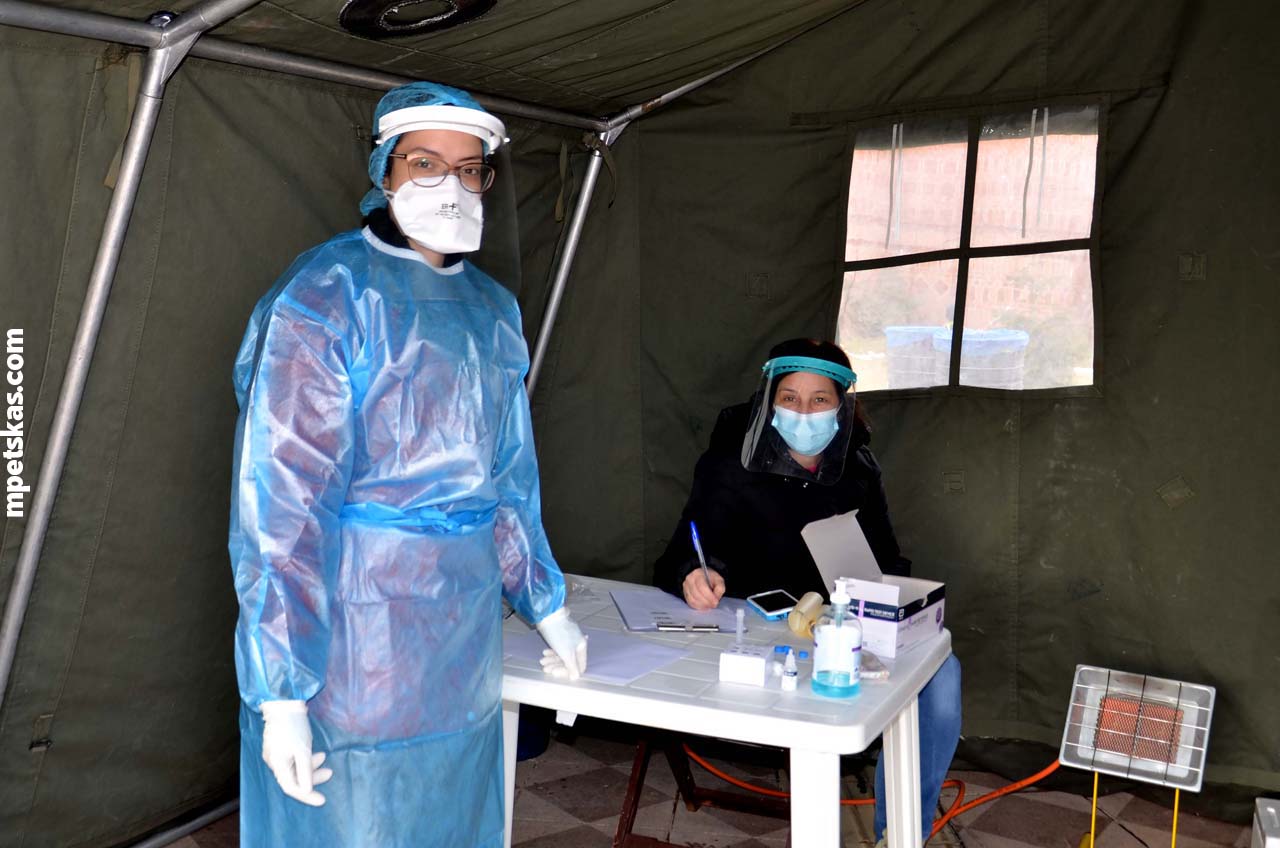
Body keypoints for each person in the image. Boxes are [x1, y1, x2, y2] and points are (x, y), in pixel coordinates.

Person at [229, 81, 587, 848]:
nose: (449, 186)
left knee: (452, 817)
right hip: (352, 634)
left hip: (462, 636)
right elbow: (282, 506)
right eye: (425, 163)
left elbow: (509, 481)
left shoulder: (493, 311)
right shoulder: (324, 298)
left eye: (469, 169)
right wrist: (281, 694)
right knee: (355, 823)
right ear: (383, 169)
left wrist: (546, 603)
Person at [653, 338, 961, 844]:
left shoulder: (859, 470)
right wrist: (693, 574)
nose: (803, 412)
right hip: (750, 639)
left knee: (942, 676)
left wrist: (889, 604)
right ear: (768, 401)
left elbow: (888, 563)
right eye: (790, 397)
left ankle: (900, 833)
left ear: (842, 407)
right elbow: (677, 558)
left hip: (838, 635)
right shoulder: (730, 464)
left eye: (820, 400)